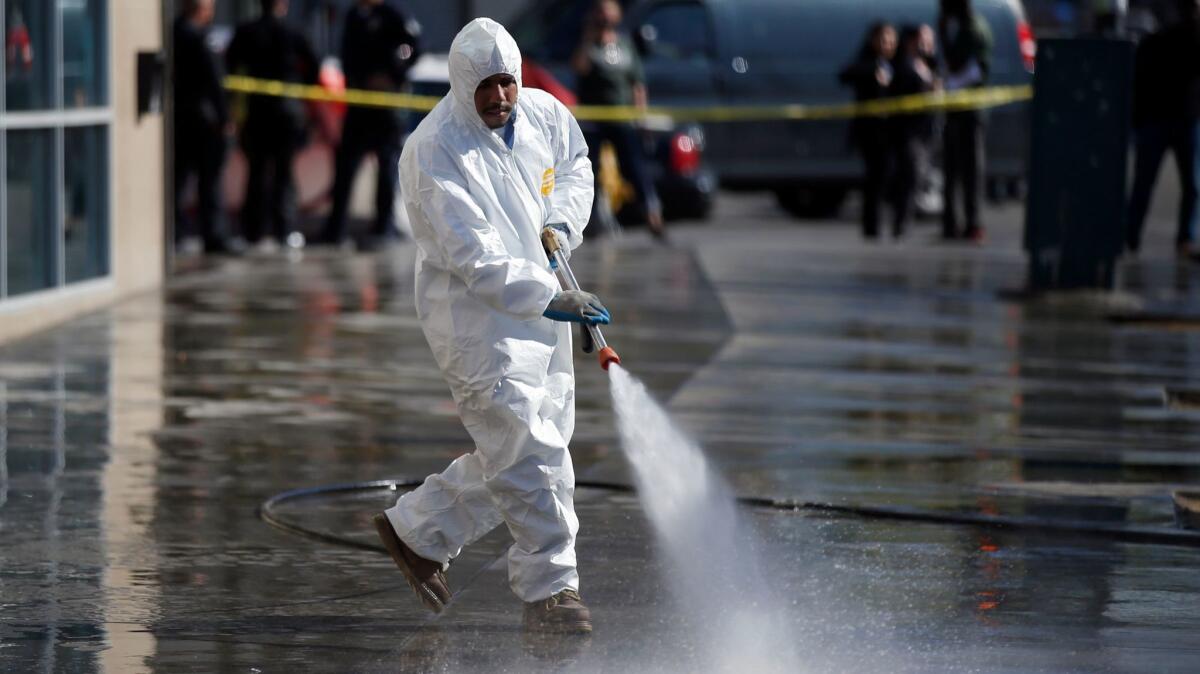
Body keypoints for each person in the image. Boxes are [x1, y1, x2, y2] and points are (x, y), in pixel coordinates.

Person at [373, 18, 605, 635]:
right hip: (475, 321)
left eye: (507, 82)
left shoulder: (544, 114)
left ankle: (420, 531)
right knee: (532, 449)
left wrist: (561, 220)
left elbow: (576, 164)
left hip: (540, 307)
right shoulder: (435, 150)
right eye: (486, 87)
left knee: (526, 444)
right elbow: (474, 258)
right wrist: (552, 297)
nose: (500, 98)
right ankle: (552, 595)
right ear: (461, 83)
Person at [317, 0, 421, 251]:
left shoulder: (393, 15)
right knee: (346, 165)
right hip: (359, 104)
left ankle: (383, 227)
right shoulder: (354, 16)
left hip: (385, 105)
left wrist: (393, 72)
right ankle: (336, 228)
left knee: (386, 165)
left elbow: (414, 47)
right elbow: (347, 54)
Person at [226, 0, 319, 252]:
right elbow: (314, 68)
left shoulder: (246, 32)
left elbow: (230, 66)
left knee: (256, 174)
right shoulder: (294, 32)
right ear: (283, 5)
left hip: (258, 112)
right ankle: (284, 231)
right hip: (287, 113)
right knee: (284, 174)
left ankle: (252, 233)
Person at [571, 0, 665, 240]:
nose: (605, 17)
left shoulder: (625, 44)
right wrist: (588, 39)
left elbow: (637, 83)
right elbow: (579, 68)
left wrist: (640, 115)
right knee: (590, 170)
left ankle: (651, 214)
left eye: (609, 11)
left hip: (622, 119)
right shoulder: (589, 44)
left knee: (634, 166)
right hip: (594, 120)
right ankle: (588, 222)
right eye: (600, 12)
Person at [1125, 0, 1200, 257]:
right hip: (1158, 120)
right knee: (1145, 184)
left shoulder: (1191, 39)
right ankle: (1130, 235)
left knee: (1191, 185)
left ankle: (1183, 238)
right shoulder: (1154, 44)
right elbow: (1138, 85)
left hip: (1184, 120)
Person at [173, 0, 238, 255]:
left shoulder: (173, 32)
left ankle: (177, 231)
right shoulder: (201, 38)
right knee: (210, 182)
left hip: (181, 118)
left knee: (178, 180)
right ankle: (214, 235)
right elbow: (214, 81)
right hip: (204, 120)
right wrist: (225, 118)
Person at [938, 0, 992, 242]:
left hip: (968, 111)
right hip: (959, 110)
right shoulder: (964, 27)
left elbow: (971, 68)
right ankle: (954, 221)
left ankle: (970, 222)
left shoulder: (971, 29)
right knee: (954, 168)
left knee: (968, 170)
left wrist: (950, 85)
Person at [839, 22, 898, 240]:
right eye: (883, 40)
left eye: (892, 40)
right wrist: (872, 71)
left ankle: (889, 224)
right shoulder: (868, 63)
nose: (888, 45)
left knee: (888, 176)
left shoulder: (895, 65)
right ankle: (872, 226)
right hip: (871, 132)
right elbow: (845, 74)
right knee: (875, 177)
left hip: (891, 131)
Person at [889, 24, 938, 238]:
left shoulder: (928, 65)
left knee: (916, 176)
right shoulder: (903, 66)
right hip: (907, 131)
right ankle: (900, 223)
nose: (927, 45)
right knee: (909, 175)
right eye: (922, 40)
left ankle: (904, 222)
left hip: (925, 131)